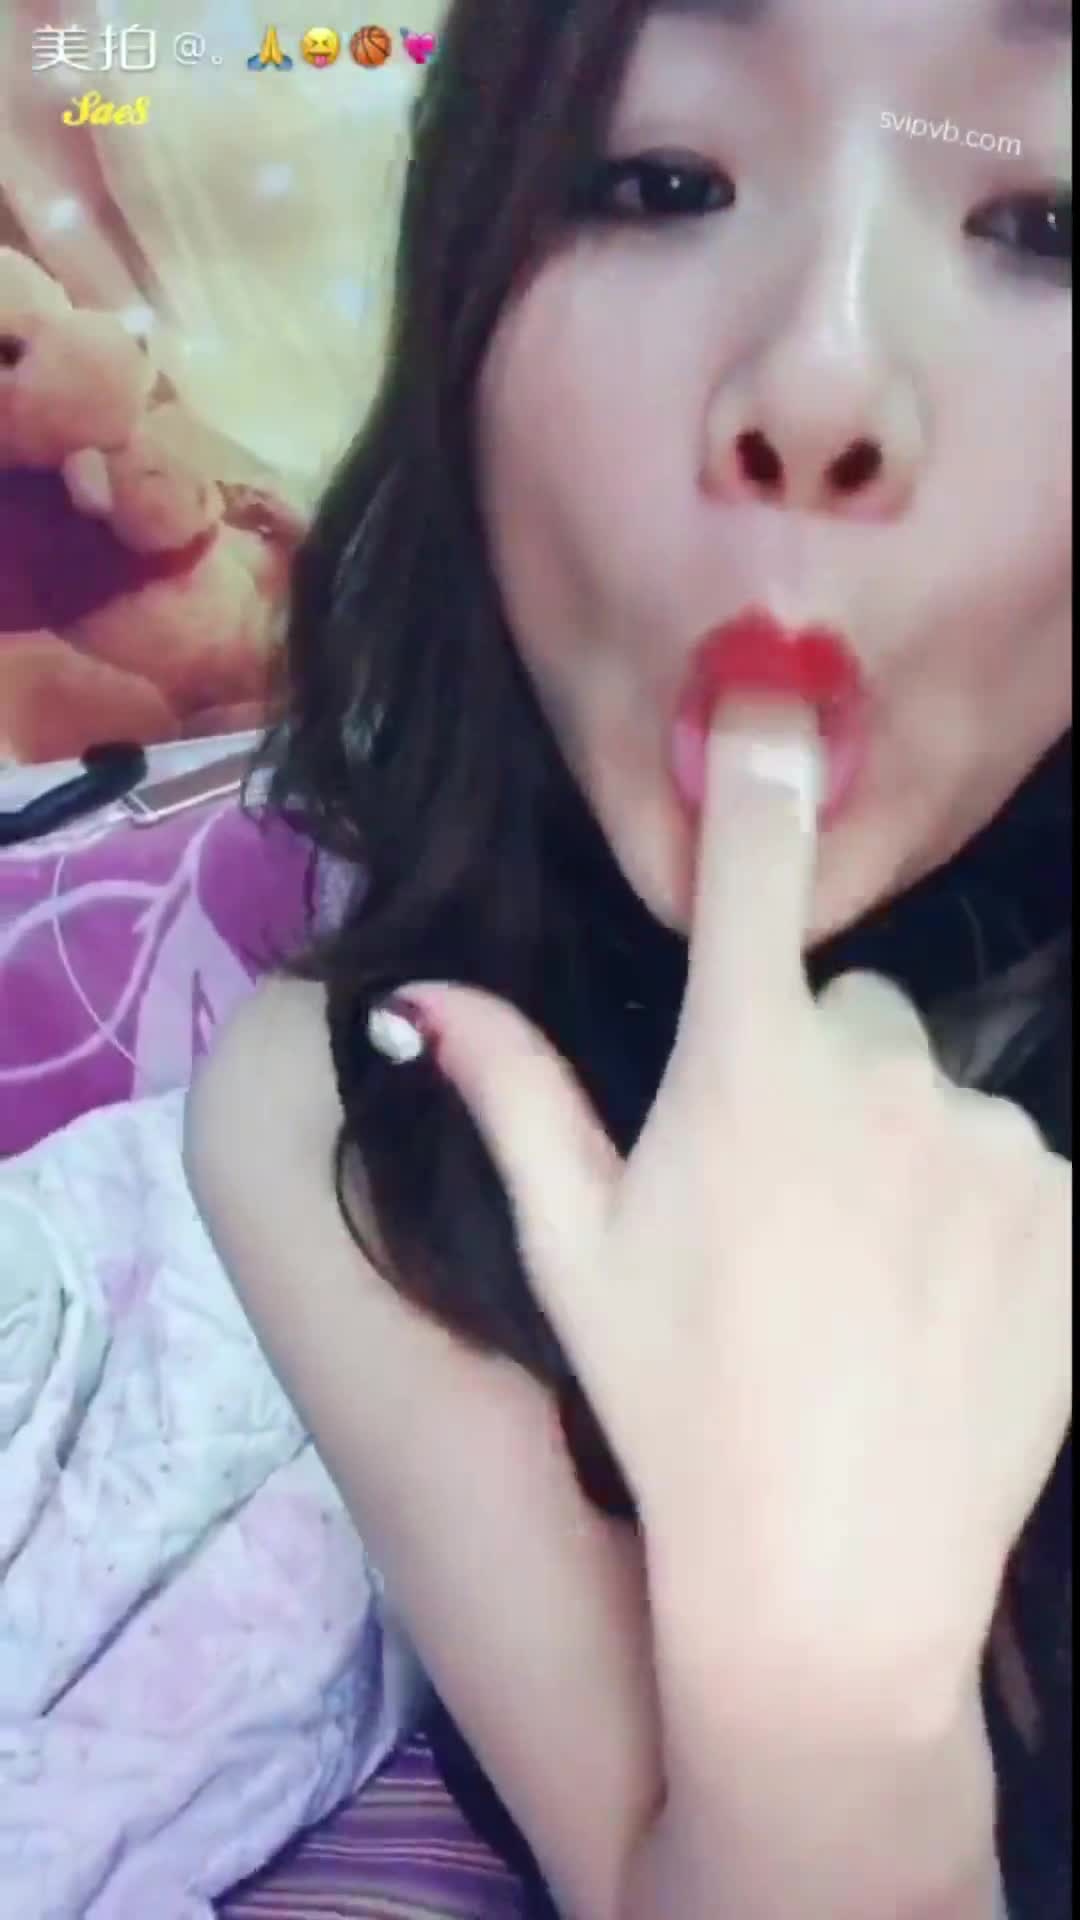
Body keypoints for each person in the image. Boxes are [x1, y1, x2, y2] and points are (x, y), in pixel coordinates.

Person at [186, 1, 1073, 1915]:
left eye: (1048, 224)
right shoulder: (351, 1112)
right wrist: (821, 1722)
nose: (821, 378)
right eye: (662, 180)